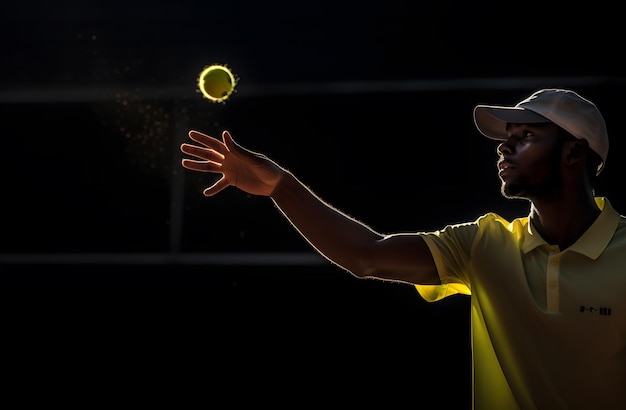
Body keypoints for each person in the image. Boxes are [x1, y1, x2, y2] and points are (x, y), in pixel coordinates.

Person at [180, 88, 626, 409]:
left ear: (574, 153)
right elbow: (366, 255)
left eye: (526, 135)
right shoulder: (483, 244)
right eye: (506, 136)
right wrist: (281, 186)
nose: (504, 146)